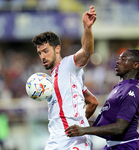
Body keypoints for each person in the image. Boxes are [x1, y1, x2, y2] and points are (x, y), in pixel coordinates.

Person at [32, 5, 97, 150]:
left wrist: (87, 28)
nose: (42, 56)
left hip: (74, 141)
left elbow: (87, 51)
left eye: (45, 51)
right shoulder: (51, 79)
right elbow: (92, 102)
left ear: (57, 49)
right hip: (55, 139)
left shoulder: (68, 65)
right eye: (39, 53)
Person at [65, 49, 139, 150]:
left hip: (127, 146)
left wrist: (85, 130)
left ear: (135, 65)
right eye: (119, 59)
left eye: (123, 59)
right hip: (113, 146)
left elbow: (119, 128)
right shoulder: (118, 88)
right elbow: (103, 124)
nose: (118, 61)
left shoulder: (132, 89)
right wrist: (77, 123)